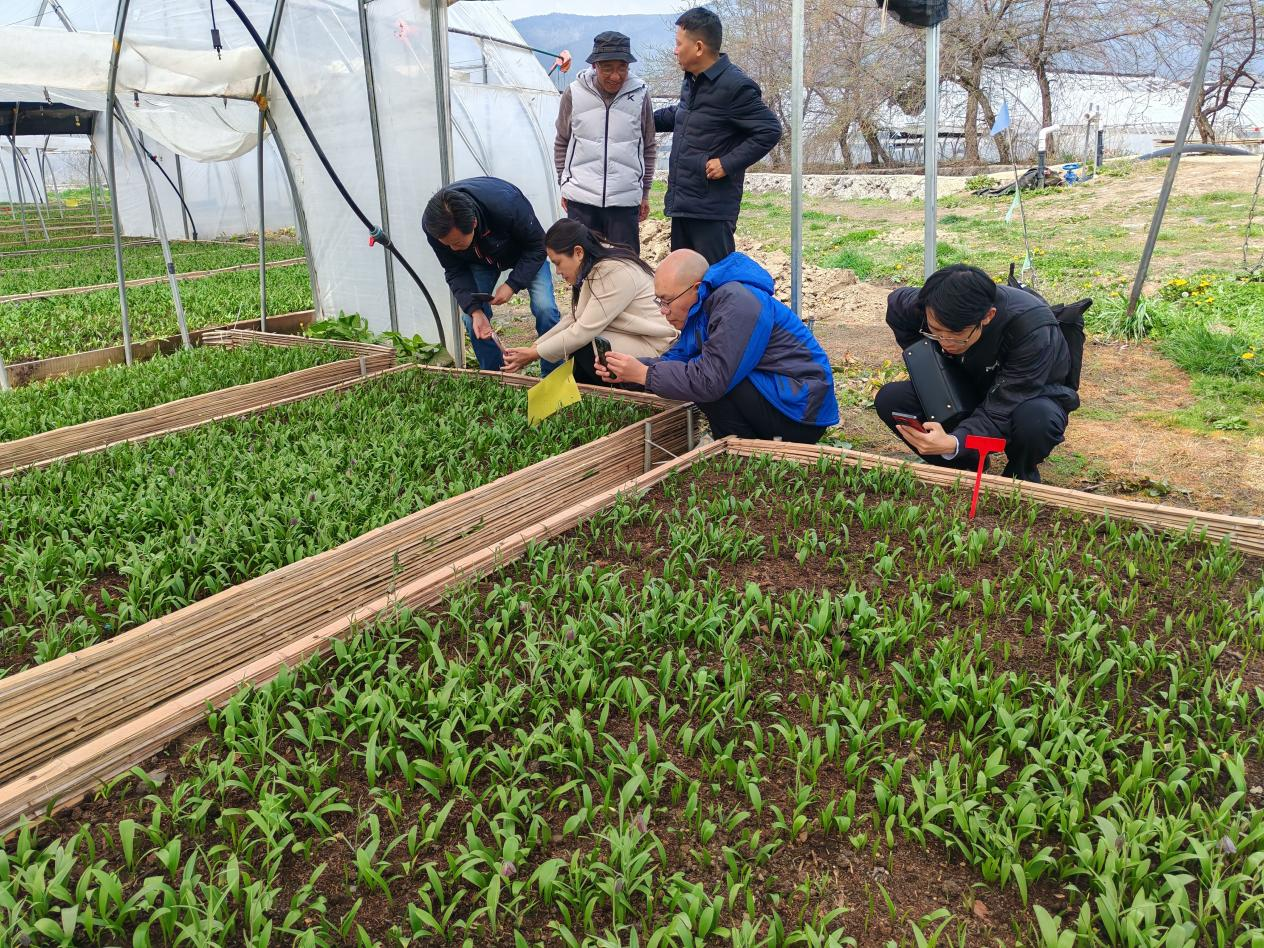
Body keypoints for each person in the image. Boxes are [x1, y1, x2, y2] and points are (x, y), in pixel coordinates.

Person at [596, 249, 838, 442]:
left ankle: (743, 449)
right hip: (776, 395)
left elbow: (711, 380)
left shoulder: (739, 303)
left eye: (667, 301)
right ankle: (737, 445)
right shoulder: (703, 305)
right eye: (659, 301)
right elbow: (675, 360)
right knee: (700, 374)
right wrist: (629, 370)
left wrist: (646, 375)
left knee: (711, 384)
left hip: (800, 411)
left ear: (696, 288)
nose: (663, 311)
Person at [874, 263, 1080, 482]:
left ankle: (1019, 473)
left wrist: (955, 442)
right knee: (892, 399)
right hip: (972, 381)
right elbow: (895, 306)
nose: (945, 342)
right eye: (936, 332)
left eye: (956, 335)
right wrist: (927, 356)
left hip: (1029, 394)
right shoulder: (925, 304)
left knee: (1037, 419)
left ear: (988, 316)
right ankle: (964, 463)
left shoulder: (1032, 329)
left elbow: (1005, 404)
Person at [653, 7, 782, 265]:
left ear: (698, 47)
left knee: (715, 282)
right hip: (683, 204)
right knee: (684, 284)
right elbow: (684, 115)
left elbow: (770, 129)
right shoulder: (693, 80)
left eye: (679, 44)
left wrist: (727, 163)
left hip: (711, 211)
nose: (675, 50)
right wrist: (642, 118)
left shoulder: (735, 86)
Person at [501, 219, 677, 384]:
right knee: (582, 347)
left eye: (558, 262)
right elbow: (575, 318)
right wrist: (535, 346)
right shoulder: (597, 267)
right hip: (636, 337)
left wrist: (534, 354)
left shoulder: (612, 272)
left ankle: (604, 397)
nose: (558, 271)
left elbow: (581, 331)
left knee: (585, 347)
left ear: (578, 252)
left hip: (657, 348)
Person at [423, 177, 562, 373]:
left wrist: (512, 284)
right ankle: (495, 376)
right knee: (472, 319)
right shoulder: (434, 226)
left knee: (545, 308)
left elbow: (538, 247)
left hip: (525, 252)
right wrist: (475, 311)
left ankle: (554, 375)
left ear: (473, 223)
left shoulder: (507, 204)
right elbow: (455, 270)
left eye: (457, 243)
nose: (453, 249)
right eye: (448, 245)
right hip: (479, 260)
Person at [554, 31, 656, 254]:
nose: (616, 76)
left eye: (622, 68)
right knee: (583, 265)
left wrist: (645, 192)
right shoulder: (574, 93)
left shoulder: (640, 94)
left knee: (625, 264)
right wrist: (565, 183)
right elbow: (562, 140)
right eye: (607, 68)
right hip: (581, 199)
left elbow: (648, 146)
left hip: (624, 200)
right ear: (595, 66)